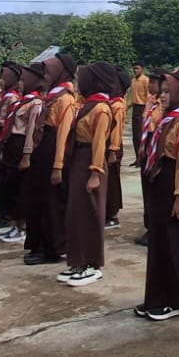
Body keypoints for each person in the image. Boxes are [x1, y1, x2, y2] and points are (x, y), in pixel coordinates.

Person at [139, 67, 179, 317]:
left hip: (175, 184)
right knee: (160, 243)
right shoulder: (169, 118)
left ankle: (176, 299)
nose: (163, 96)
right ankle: (156, 295)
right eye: (162, 91)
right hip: (160, 181)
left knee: (175, 244)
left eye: (168, 92)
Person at [59, 62, 115, 287]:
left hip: (91, 163)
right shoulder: (88, 105)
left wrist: (95, 173)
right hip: (79, 161)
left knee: (90, 214)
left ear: (97, 81)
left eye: (85, 78)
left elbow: (100, 143)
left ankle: (91, 264)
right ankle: (77, 262)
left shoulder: (101, 108)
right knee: (76, 214)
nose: (80, 82)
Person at [23, 55, 76, 267]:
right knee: (39, 201)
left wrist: (58, 165)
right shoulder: (52, 95)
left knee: (52, 204)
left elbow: (63, 134)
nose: (44, 77)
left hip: (54, 152)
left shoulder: (65, 98)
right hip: (43, 152)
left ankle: (52, 248)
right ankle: (39, 243)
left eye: (48, 73)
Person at [0, 66, 43, 246]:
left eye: (25, 80)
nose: (21, 83)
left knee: (21, 188)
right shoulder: (21, 102)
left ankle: (22, 226)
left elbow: (31, 131)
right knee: (11, 186)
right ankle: (15, 223)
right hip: (11, 147)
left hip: (21, 147)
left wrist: (27, 155)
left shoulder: (35, 103)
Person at [0, 62, 23, 232]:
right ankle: (1, 211)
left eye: (5, 76)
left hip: (3, 140)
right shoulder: (6, 95)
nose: (1, 80)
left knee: (3, 178)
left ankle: (6, 214)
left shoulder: (12, 98)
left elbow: (4, 122)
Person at [135, 71, 165, 246]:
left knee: (155, 193)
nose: (150, 85)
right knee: (147, 191)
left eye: (154, 82)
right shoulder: (152, 103)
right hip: (147, 149)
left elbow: (156, 126)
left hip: (155, 150)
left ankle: (155, 229)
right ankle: (149, 227)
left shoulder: (163, 105)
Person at [105, 68, 128, 231]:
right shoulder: (110, 102)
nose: (111, 86)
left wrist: (113, 150)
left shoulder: (118, 105)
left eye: (115, 83)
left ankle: (112, 215)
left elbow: (117, 130)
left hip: (114, 148)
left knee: (112, 181)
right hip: (107, 146)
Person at [129, 63, 151, 166]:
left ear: (142, 69)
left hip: (143, 107)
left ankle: (142, 158)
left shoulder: (145, 80)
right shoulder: (133, 81)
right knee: (135, 136)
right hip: (135, 108)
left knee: (141, 134)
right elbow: (133, 97)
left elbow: (148, 96)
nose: (135, 70)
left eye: (137, 68)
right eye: (134, 69)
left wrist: (146, 111)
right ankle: (137, 158)